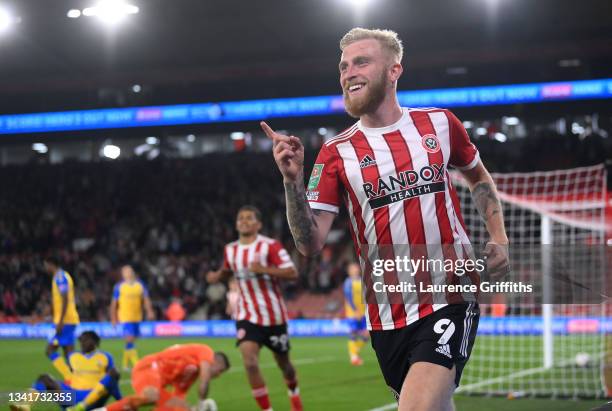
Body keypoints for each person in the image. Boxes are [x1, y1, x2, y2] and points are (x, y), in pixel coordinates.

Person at [261, 27, 510, 411]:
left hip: (450, 296)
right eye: (343, 66)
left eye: (361, 61)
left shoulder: (440, 124)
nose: (348, 72)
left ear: (395, 70)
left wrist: (499, 236)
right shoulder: (334, 153)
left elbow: (477, 175)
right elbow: (309, 243)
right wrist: (291, 183)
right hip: (385, 316)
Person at [207, 205, 303, 411]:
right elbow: (227, 270)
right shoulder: (230, 249)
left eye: (249, 218)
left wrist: (264, 269)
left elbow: (292, 272)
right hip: (246, 314)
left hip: (274, 316)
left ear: (258, 224)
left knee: (285, 366)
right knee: (250, 362)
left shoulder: (271, 246)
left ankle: (294, 395)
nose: (244, 221)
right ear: (236, 223)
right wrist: (217, 276)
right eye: (240, 218)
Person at [10, 331, 121, 411]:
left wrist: (121, 401)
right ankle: (24, 405)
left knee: (114, 372)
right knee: (44, 378)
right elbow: (50, 351)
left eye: (86, 340)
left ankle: (81, 407)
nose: (82, 342)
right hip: (71, 396)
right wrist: (59, 335)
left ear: (95, 342)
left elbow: (112, 380)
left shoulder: (105, 356)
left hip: (92, 398)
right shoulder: (73, 356)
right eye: (81, 340)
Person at [99, 344, 230, 411]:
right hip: (149, 367)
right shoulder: (206, 351)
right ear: (216, 361)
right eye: (220, 370)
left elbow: (179, 396)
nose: (218, 375)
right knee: (152, 396)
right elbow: (205, 379)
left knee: (180, 409)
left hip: (156, 381)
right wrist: (202, 403)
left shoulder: (192, 374)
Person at [110, 264, 155, 371]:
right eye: (125, 272)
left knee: (132, 340)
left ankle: (125, 365)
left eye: (129, 271)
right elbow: (114, 304)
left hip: (137, 317)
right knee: (129, 339)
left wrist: (149, 311)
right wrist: (113, 318)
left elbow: (146, 299)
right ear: (122, 274)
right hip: (125, 317)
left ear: (132, 272)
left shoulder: (140, 285)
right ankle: (137, 364)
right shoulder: (119, 287)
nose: (127, 273)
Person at [44, 256, 80, 374]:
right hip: (67, 319)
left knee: (50, 350)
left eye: (45, 265)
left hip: (66, 320)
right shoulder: (61, 276)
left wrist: (60, 320)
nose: (45, 268)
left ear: (50, 264)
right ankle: (74, 377)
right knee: (68, 351)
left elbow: (64, 298)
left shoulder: (60, 277)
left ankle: (70, 377)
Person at [343, 262, 368, 366]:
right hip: (353, 313)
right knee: (353, 334)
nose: (355, 269)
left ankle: (355, 351)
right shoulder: (348, 282)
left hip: (363, 312)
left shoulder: (363, 280)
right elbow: (348, 297)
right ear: (349, 271)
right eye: (353, 268)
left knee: (367, 334)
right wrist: (355, 310)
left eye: (356, 268)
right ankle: (354, 357)